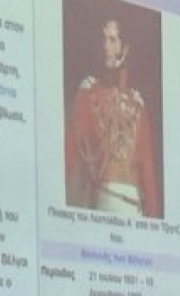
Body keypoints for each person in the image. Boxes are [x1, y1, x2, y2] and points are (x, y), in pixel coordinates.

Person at [65, 15, 160, 217]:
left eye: (113, 40)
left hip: (135, 207)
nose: (106, 47)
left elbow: (147, 170)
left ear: (125, 48)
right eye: (103, 39)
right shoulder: (89, 92)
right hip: (105, 201)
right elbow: (69, 151)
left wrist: (153, 219)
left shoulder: (138, 103)